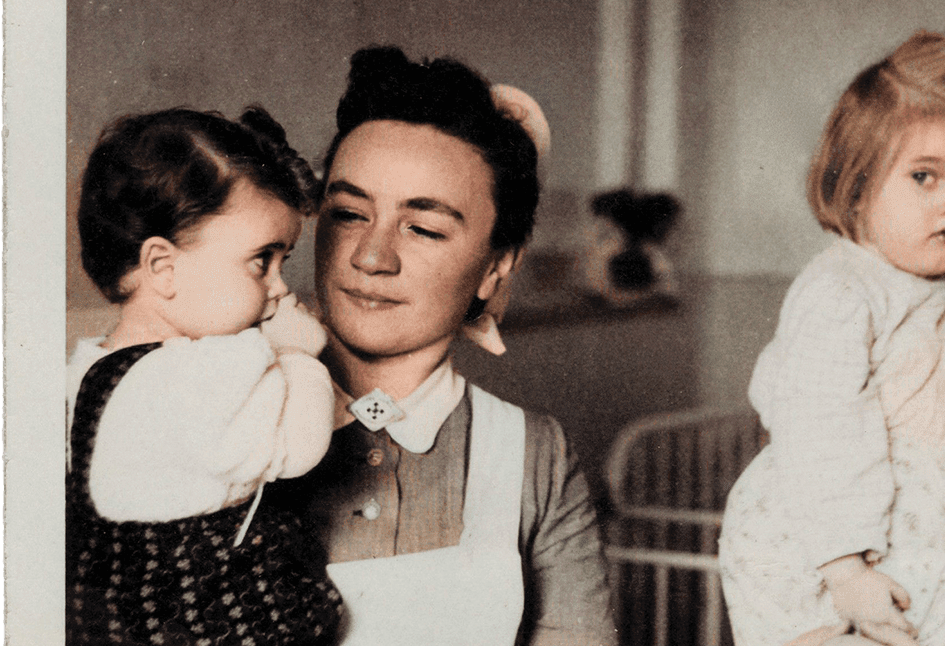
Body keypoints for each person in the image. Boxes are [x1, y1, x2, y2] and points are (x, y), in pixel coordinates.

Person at [718, 32, 945, 646]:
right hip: (817, 543)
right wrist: (843, 567)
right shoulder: (841, 290)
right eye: (925, 176)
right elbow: (818, 427)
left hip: (907, 531)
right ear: (859, 185)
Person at [263, 46, 617, 646]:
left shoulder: (533, 455)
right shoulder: (231, 412)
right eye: (348, 213)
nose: (370, 257)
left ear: (495, 268)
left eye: (423, 228)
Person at [66, 107, 344, 644]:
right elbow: (304, 444)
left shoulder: (85, 374)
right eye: (261, 261)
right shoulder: (212, 370)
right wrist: (303, 351)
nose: (281, 288)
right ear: (163, 269)